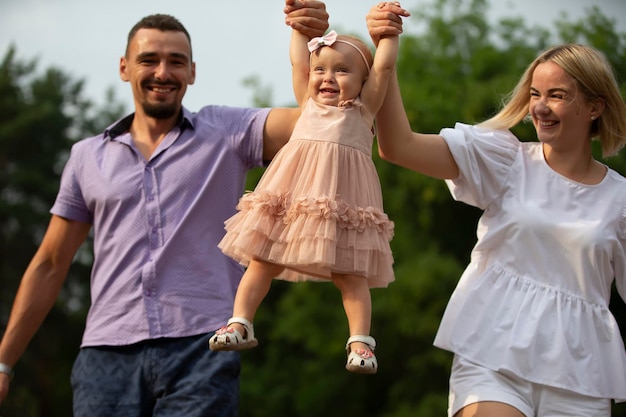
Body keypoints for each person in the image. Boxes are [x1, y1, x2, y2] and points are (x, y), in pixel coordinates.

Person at [0, 3, 329, 416]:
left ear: (192, 72)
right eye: (148, 60)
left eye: (176, 62)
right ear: (124, 68)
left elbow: (316, 124)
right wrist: (4, 360)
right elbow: (50, 262)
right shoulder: (86, 157)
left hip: (201, 346)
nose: (162, 72)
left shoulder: (226, 132)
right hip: (106, 356)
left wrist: (315, 46)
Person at [368, 3, 626, 416]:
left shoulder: (621, 199)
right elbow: (397, 146)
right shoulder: (505, 160)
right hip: (492, 347)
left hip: (581, 371)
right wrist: (385, 55)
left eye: (557, 95)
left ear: (595, 107)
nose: (540, 107)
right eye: (535, 94)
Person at [208, 1, 407, 375]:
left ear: (363, 82)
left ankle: (361, 343)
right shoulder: (307, 103)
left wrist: (389, 32)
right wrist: (300, 28)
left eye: (342, 71)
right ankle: (240, 322)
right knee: (262, 259)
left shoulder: (363, 110)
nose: (327, 77)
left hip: (344, 200)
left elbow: (384, 65)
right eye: (321, 70)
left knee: (351, 273)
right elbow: (299, 62)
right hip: (293, 196)